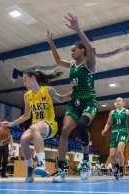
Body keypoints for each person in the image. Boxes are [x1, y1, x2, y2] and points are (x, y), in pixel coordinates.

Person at [46, 13, 97, 182]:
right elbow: (58, 59)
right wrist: (51, 42)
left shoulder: (89, 63)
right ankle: (61, 170)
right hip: (74, 103)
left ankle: (85, 161)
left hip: (88, 102)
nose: (72, 53)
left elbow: (90, 49)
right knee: (65, 131)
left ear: (82, 50)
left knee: (82, 125)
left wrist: (78, 29)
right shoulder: (72, 65)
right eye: (71, 51)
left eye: (74, 50)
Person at [1, 69, 73, 183]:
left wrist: (72, 92)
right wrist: (11, 123)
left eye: (25, 80)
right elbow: (26, 115)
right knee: (23, 139)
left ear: (33, 78)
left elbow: (62, 98)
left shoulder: (48, 90)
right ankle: (30, 169)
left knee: (35, 128)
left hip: (50, 125)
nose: (24, 84)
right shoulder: (27, 96)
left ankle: (42, 164)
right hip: (36, 127)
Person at [102, 97, 129, 179]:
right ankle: (118, 168)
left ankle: (121, 170)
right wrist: (105, 129)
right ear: (115, 103)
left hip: (123, 132)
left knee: (120, 151)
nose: (118, 102)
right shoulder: (112, 112)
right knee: (112, 155)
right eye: (116, 101)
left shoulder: (127, 111)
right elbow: (108, 123)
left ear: (123, 102)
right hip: (114, 133)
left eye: (119, 101)